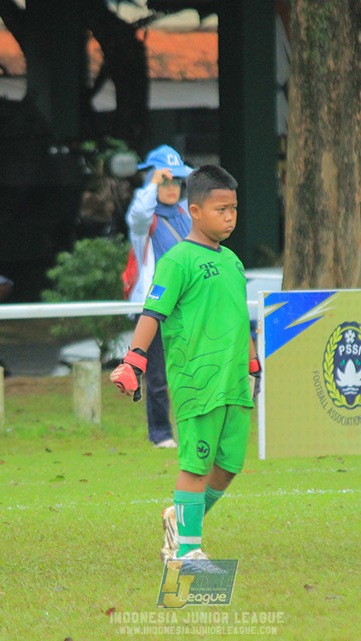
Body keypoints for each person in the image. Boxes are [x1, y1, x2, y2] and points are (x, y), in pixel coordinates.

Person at [110, 165, 261, 565]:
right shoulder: (178, 260)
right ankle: (186, 550)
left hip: (234, 383)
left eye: (233, 209)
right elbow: (151, 313)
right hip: (198, 383)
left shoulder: (232, 261)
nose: (229, 216)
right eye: (220, 209)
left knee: (227, 466)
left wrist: (252, 362)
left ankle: (179, 517)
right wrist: (133, 362)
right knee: (195, 466)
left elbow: (237, 315)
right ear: (194, 211)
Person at [124, 145, 194, 449]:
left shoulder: (187, 214)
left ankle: (194, 430)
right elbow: (138, 213)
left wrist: (182, 173)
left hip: (187, 307)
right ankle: (161, 435)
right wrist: (152, 181)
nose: (172, 187)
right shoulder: (146, 221)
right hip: (155, 309)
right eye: (165, 181)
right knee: (156, 376)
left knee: (191, 371)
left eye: (176, 181)